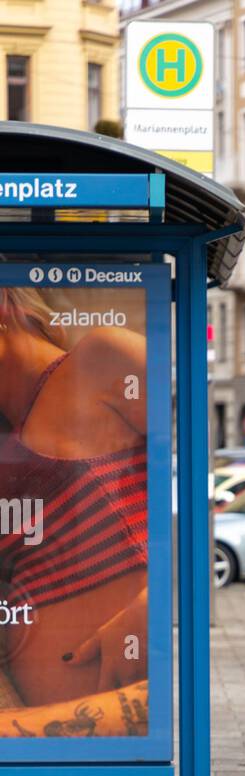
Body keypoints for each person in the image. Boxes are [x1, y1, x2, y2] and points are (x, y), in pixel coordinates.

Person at [0, 285, 149, 730]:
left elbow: (200, 467)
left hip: (128, 718)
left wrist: (157, 604)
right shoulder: (8, 439)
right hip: (36, 744)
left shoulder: (103, 359)